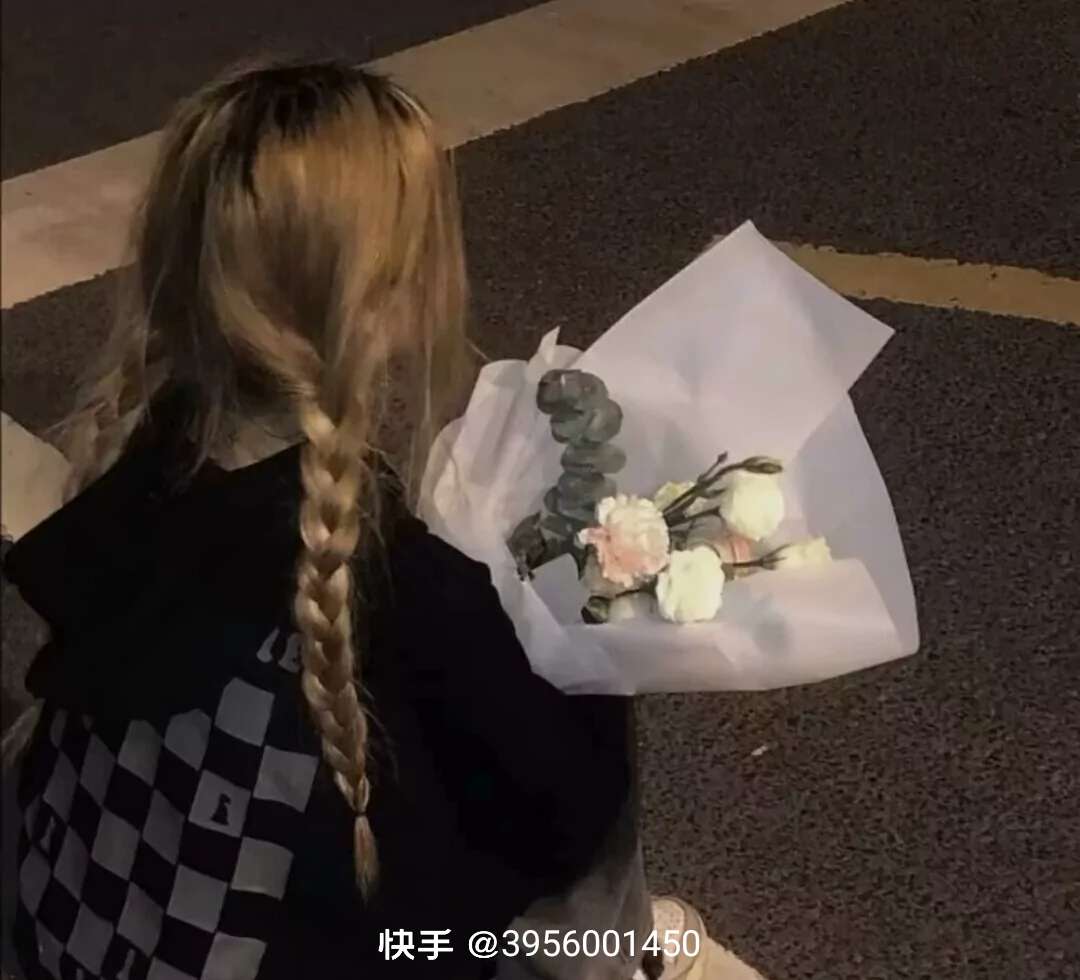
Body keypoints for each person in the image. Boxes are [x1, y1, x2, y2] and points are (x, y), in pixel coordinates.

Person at [2, 59, 641, 980]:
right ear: (389, 297)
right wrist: (601, 653)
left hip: (74, 922)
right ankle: (624, 953)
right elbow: (561, 819)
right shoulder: (406, 583)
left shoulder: (139, 465)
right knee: (578, 802)